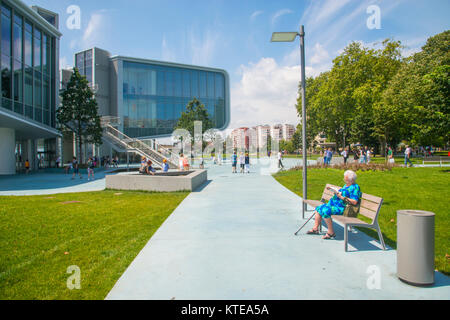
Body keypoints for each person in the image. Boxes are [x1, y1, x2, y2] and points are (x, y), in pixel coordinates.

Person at [306, 170, 362, 239]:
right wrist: (334, 191)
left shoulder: (355, 187)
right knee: (319, 208)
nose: (344, 179)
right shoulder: (346, 185)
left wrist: (342, 197)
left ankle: (331, 232)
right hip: (336, 205)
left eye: (346, 178)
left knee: (326, 210)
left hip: (343, 208)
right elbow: (342, 192)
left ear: (351, 180)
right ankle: (315, 229)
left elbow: (354, 201)